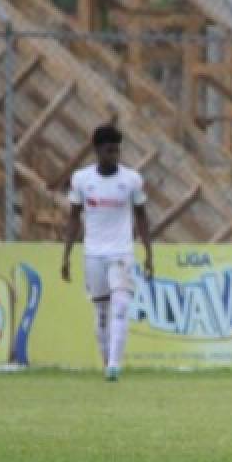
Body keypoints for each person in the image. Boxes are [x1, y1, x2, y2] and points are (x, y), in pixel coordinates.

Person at [62, 124, 154, 382]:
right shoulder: (82, 180)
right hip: (93, 254)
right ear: (97, 151)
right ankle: (106, 362)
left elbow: (142, 217)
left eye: (116, 151)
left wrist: (148, 253)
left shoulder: (131, 180)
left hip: (122, 252)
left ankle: (115, 365)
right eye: (108, 151)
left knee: (122, 306)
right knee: (102, 314)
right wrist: (67, 254)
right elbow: (73, 218)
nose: (113, 156)